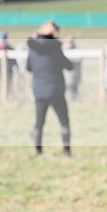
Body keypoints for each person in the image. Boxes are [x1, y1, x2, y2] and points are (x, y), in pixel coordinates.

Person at [26, 21, 73, 156]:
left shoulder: (33, 49)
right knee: (64, 121)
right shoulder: (55, 48)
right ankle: (66, 151)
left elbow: (29, 67)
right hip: (56, 90)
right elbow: (68, 65)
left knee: (39, 122)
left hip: (39, 91)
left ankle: (38, 151)